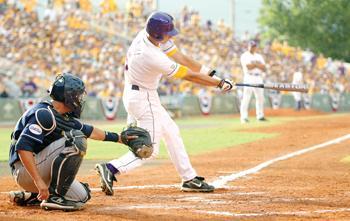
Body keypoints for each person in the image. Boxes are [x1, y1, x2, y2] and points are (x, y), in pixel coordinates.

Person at [95, 11, 234, 195]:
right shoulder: (151, 55)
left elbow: (182, 57)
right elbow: (188, 75)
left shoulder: (148, 35)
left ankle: (189, 178)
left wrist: (210, 73)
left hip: (139, 94)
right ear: (158, 34)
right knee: (149, 150)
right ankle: (112, 168)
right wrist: (219, 83)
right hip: (144, 99)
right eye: (168, 33)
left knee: (172, 132)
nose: (171, 35)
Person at [8, 73, 135, 211]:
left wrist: (121, 139)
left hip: (36, 169)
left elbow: (91, 131)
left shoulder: (60, 115)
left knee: (82, 196)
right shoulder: (44, 114)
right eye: (78, 95)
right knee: (76, 139)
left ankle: (31, 196)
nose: (80, 99)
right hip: (25, 171)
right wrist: (38, 181)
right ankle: (54, 197)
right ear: (68, 96)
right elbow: (23, 148)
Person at [240, 40, 267, 123]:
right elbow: (249, 67)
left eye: (254, 46)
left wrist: (255, 64)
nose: (253, 47)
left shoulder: (259, 56)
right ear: (248, 46)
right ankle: (244, 117)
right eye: (251, 46)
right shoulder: (245, 55)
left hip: (258, 77)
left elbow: (264, 68)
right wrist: (257, 65)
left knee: (260, 97)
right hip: (249, 77)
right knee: (246, 97)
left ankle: (260, 116)